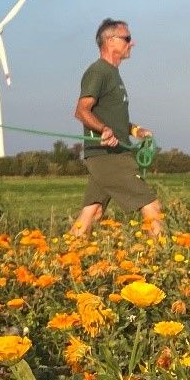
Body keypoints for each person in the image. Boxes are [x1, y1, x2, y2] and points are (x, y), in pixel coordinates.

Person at [71, 18, 162, 236]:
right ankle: (161, 258)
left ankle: (64, 257)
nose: (132, 43)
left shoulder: (112, 73)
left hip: (111, 153)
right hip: (108, 155)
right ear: (111, 41)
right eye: (127, 38)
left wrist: (135, 130)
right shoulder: (98, 72)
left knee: (93, 213)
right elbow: (81, 110)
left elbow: (114, 117)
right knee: (152, 207)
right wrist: (103, 130)